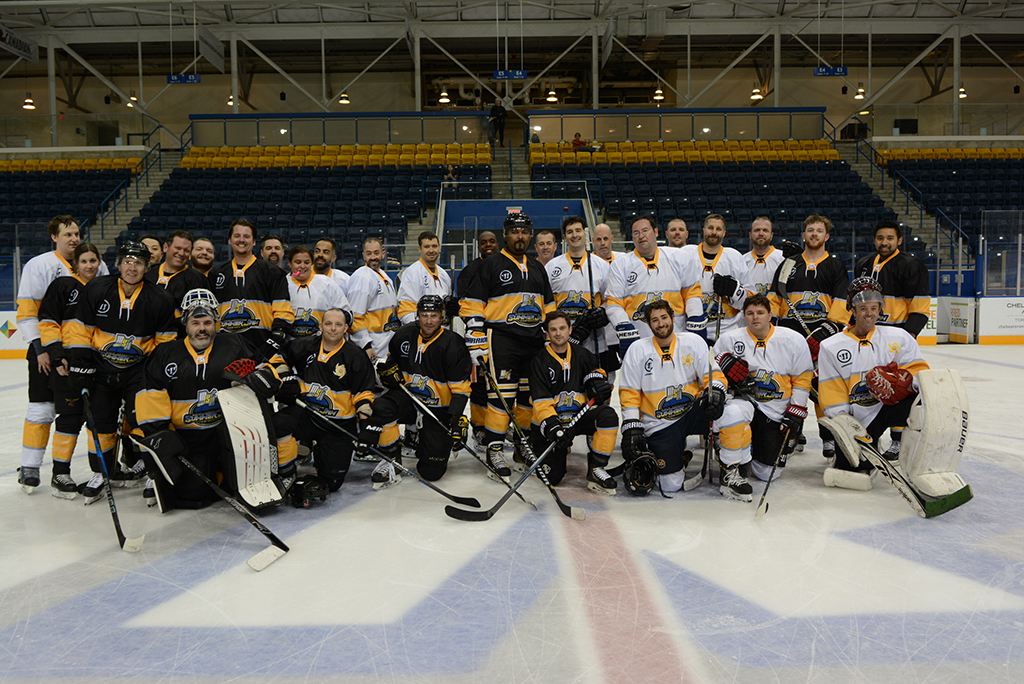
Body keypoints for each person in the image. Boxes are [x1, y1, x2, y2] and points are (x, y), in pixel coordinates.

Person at [136, 288, 279, 509]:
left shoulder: (235, 344)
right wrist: (162, 437)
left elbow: (267, 368)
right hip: (186, 439)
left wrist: (265, 377)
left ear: (216, 323)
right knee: (194, 495)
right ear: (186, 325)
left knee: (236, 484)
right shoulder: (165, 353)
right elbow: (149, 397)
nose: (202, 329)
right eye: (195, 323)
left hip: (229, 435)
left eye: (207, 322)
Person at [64, 241, 176, 504]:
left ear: (147, 267)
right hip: (102, 369)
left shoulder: (160, 299)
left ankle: (153, 473)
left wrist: (154, 376)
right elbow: (80, 330)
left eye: (138, 263)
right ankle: (101, 473)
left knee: (146, 422)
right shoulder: (97, 288)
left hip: (140, 372)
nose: (132, 267)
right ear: (118, 264)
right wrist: (80, 365)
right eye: (127, 262)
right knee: (100, 424)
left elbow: (165, 343)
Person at [14, 215, 109, 493]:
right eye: (67, 234)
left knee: (86, 412)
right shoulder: (39, 265)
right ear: (54, 237)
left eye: (77, 233)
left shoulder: (98, 265)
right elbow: (29, 313)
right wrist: (42, 350)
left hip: (85, 353)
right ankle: (30, 466)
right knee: (42, 408)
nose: (74, 238)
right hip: (47, 349)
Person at [462, 212, 554, 479]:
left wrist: (551, 338)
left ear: (531, 235)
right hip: (501, 340)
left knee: (527, 398)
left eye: (524, 231)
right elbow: (472, 304)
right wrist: (475, 337)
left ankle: (522, 446)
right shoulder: (490, 264)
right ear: (505, 234)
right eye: (515, 231)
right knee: (501, 397)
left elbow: (549, 307)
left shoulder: (537, 267)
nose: (520, 236)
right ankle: (494, 449)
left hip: (534, 342)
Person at [818, 277, 930, 488]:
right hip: (856, 419)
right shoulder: (831, 346)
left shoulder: (899, 337)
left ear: (880, 309)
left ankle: (918, 464)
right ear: (852, 310)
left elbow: (920, 372)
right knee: (852, 469)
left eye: (874, 308)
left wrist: (906, 382)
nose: (869, 313)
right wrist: (847, 428)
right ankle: (867, 445)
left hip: (888, 407)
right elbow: (831, 391)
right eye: (863, 308)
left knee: (922, 407)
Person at [618, 300, 729, 495]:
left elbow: (713, 375)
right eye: (655, 320)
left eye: (664, 317)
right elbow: (629, 393)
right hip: (659, 422)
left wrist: (717, 392)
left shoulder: (693, 342)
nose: (661, 324)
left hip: (693, 412)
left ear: (673, 318)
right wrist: (631, 425)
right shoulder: (637, 350)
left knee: (732, 413)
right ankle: (678, 455)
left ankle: (731, 465)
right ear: (648, 324)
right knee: (670, 485)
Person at [364, 295, 472, 487]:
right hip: (408, 399)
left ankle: (433, 439)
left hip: (437, 408)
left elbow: (461, 388)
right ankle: (391, 459)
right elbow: (391, 367)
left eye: (434, 315)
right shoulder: (404, 335)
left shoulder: (453, 344)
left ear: (442, 316)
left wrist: (455, 418)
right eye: (424, 315)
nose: (429, 321)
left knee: (431, 472)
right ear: (417, 315)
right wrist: (387, 375)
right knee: (381, 406)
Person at [768, 213, 850, 460]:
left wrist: (828, 330)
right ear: (804, 235)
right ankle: (793, 433)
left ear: (827, 236)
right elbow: (775, 298)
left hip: (823, 340)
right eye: (810, 230)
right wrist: (773, 328)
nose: (815, 234)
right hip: (791, 338)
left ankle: (828, 435)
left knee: (823, 388)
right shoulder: (789, 264)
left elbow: (842, 301)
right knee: (793, 386)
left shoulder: (835, 266)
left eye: (819, 231)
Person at [711, 294, 814, 485]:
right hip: (744, 401)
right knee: (733, 413)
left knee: (767, 474)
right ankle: (733, 453)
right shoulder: (729, 339)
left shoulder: (792, 340)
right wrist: (720, 362)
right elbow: (710, 367)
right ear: (744, 315)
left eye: (760, 312)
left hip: (775, 412)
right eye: (750, 313)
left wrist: (797, 410)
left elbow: (802, 377)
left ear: (770, 315)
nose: (755, 317)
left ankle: (753, 448)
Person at [271, 308, 376, 492]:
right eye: (328, 324)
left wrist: (366, 426)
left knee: (332, 483)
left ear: (346, 328)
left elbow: (363, 394)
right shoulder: (304, 346)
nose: (333, 329)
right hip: (307, 414)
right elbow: (278, 358)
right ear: (320, 326)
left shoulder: (356, 356)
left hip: (338, 425)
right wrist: (287, 378)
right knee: (279, 422)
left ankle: (322, 453)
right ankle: (286, 473)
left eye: (338, 325)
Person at [36, 243, 103, 499]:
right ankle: (60, 473)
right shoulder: (63, 286)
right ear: (75, 264)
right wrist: (57, 356)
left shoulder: (105, 288)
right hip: (68, 363)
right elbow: (48, 322)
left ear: (99, 262)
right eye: (84, 261)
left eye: (93, 260)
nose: (89, 265)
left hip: (97, 363)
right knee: (70, 418)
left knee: (99, 418)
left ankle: (101, 471)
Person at [529, 311, 618, 494]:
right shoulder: (538, 361)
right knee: (552, 477)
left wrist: (598, 381)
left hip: (577, 418)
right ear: (547, 332)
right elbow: (541, 403)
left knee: (608, 416)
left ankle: (597, 468)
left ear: (570, 330)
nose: (558, 333)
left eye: (562, 328)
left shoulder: (583, 355)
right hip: (551, 424)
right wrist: (554, 427)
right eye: (553, 329)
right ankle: (535, 448)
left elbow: (597, 373)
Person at [605, 214, 705, 362]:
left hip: (677, 339)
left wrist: (695, 316)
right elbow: (614, 303)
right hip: (640, 343)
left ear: (656, 232)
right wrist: (623, 326)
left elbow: (692, 292)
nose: (641, 236)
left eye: (645, 230)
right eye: (636, 233)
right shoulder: (620, 265)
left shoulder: (679, 257)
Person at [208, 219, 294, 356]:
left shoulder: (273, 272)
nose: (241, 240)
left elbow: (283, 313)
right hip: (225, 352)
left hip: (263, 352)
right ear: (230, 240)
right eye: (237, 236)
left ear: (254, 242)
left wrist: (272, 344)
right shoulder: (216, 274)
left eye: (246, 236)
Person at [545, 216, 614, 373]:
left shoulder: (602, 265)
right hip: (560, 339)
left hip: (594, 340)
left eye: (578, 230)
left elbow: (610, 300)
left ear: (585, 234)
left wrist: (601, 313)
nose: (574, 235)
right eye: (570, 232)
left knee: (598, 382)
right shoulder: (552, 266)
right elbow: (546, 302)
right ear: (564, 237)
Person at [456, 230, 500, 442]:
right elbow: (464, 304)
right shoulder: (469, 271)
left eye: (492, 241)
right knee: (480, 383)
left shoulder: (506, 266)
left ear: (498, 243)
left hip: (502, 335)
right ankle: (480, 426)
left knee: (502, 382)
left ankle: (500, 425)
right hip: (479, 335)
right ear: (478, 246)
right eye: (484, 242)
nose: (488, 245)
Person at [853, 219, 931, 338]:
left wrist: (908, 336)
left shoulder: (912, 265)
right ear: (874, 240)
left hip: (896, 333)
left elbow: (920, 308)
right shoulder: (863, 264)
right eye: (880, 238)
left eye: (890, 238)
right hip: (865, 333)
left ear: (899, 241)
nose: (884, 243)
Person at [686, 213, 751, 337]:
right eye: (710, 228)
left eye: (718, 229)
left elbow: (751, 298)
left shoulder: (735, 257)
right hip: (693, 329)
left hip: (727, 331)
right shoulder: (687, 254)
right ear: (704, 230)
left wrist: (735, 291)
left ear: (724, 233)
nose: (714, 232)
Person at [145, 230, 209, 337]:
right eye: (178, 248)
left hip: (178, 340)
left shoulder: (197, 279)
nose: (181, 253)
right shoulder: (147, 273)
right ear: (166, 247)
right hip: (145, 337)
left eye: (186, 250)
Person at [347, 236, 400, 362]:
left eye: (376, 253)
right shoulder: (362, 277)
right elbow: (355, 316)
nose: (373, 257)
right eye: (369, 253)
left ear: (383, 254)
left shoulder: (384, 275)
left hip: (386, 346)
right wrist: (366, 345)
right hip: (373, 349)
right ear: (364, 256)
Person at [285, 245, 350, 338]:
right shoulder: (282, 284)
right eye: (298, 262)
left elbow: (346, 313)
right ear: (289, 263)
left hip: (322, 343)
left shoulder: (326, 283)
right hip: (289, 343)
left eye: (307, 262)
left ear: (312, 263)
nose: (302, 266)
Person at [397, 231, 452, 324]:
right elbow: (406, 312)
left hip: (442, 329)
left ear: (439, 247)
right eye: (427, 247)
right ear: (420, 249)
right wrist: (425, 327)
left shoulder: (444, 275)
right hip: (423, 330)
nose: (431, 250)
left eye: (434, 246)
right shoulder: (412, 273)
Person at [744, 216, 784, 296]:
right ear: (750, 235)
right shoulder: (742, 261)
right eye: (757, 230)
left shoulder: (782, 259)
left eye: (765, 230)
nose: (761, 234)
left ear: (771, 235)